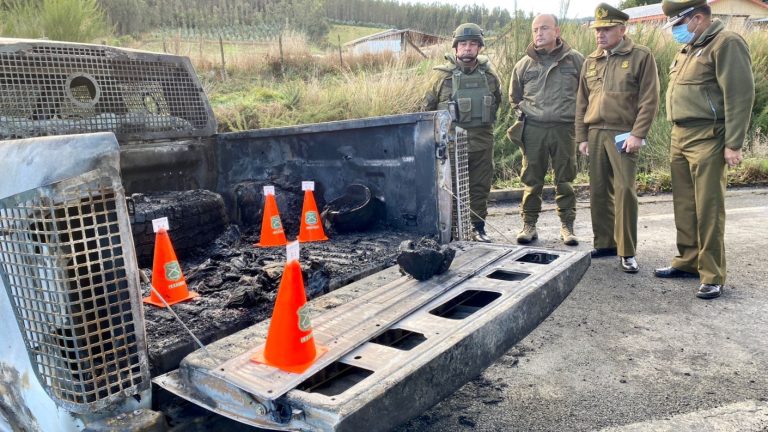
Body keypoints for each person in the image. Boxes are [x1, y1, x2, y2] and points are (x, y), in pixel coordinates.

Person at [654, 0, 754, 299]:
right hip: (680, 134)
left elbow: (740, 95)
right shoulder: (689, 48)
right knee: (685, 204)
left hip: (708, 135)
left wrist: (733, 143)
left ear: (697, 18)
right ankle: (688, 261)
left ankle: (712, 274)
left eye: (678, 25)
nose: (675, 32)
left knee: (708, 208)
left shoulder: (726, 43)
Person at [575, 3, 659, 273]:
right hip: (596, 132)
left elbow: (649, 100)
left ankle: (627, 251)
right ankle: (605, 243)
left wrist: (638, 134)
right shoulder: (591, 60)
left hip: (624, 133)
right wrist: (582, 137)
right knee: (599, 191)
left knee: (624, 191)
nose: (600, 34)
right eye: (598, 30)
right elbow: (581, 102)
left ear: (622, 29)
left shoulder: (640, 56)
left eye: (607, 29)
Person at [509, 14, 584, 246]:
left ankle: (567, 226)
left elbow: (587, 94)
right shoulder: (523, 65)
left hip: (565, 130)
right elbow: (515, 98)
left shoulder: (575, 61)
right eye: (535, 30)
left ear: (557, 31)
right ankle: (529, 225)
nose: (538, 33)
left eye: (544, 28)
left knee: (566, 180)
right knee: (532, 181)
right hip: (534, 131)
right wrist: (526, 114)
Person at [423, 23, 502, 243]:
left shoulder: (490, 77)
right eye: (464, 44)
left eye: (473, 44)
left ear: (479, 48)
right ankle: (454, 231)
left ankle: (478, 228)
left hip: (482, 142)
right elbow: (426, 111)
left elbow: (498, 103)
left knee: (480, 187)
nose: (468, 48)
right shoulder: (441, 77)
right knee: (452, 189)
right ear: (456, 47)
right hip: (451, 144)